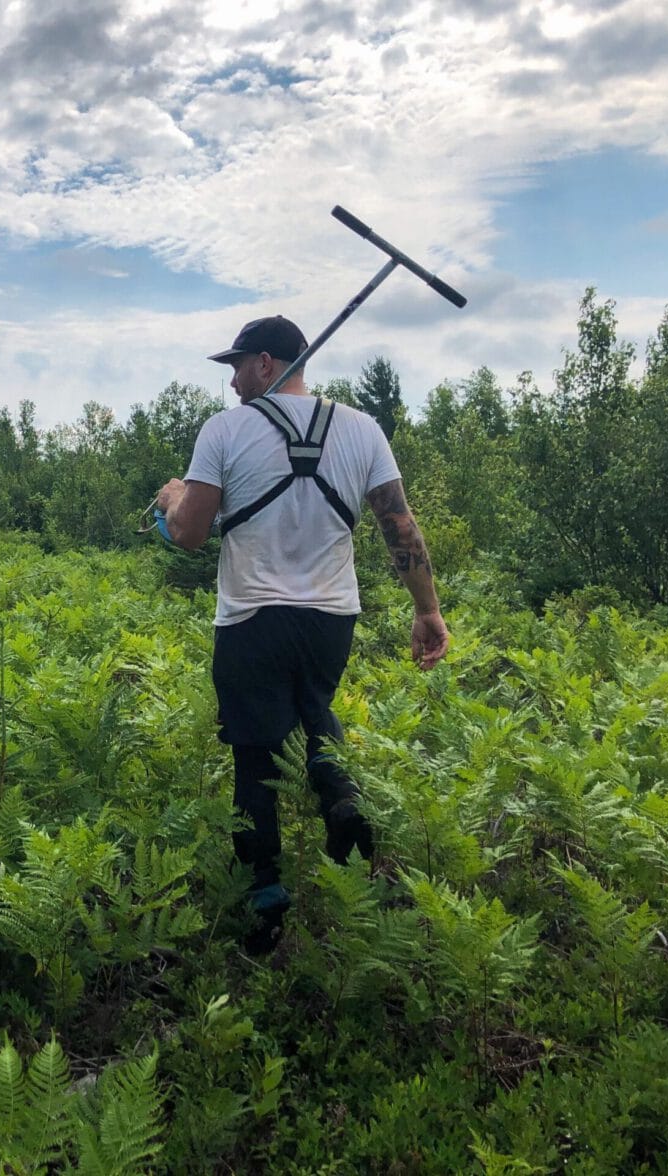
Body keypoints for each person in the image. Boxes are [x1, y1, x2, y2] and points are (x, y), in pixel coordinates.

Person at [154, 314, 449, 954]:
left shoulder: (224, 431)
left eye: (236, 367)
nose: (231, 383)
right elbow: (400, 527)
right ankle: (340, 797)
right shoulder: (362, 429)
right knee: (316, 710)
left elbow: (190, 533)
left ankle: (265, 906)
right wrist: (427, 610)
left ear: (266, 364)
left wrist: (171, 498)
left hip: (251, 621)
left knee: (255, 760)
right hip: (331, 621)